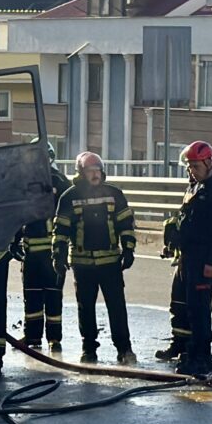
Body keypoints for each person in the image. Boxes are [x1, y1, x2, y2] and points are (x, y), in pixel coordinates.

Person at [154, 141, 212, 377]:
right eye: (189, 166)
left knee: (199, 308)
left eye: (195, 166)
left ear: (209, 163)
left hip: (202, 258)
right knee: (180, 301)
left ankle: (201, 357)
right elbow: (184, 220)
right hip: (186, 256)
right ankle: (181, 345)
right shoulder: (194, 187)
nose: (191, 170)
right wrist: (173, 244)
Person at [53, 151, 137, 364]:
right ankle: (88, 349)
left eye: (97, 170)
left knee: (117, 307)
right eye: (90, 170)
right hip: (82, 264)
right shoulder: (69, 197)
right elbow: (61, 229)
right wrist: (59, 255)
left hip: (110, 262)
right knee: (85, 308)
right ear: (81, 173)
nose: (95, 174)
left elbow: (125, 224)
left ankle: (124, 349)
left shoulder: (114, 194)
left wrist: (128, 249)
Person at [17, 141, 71, 351]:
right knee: (40, 296)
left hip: (46, 252)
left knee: (44, 296)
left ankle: (47, 338)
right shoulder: (58, 181)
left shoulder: (49, 182)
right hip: (41, 252)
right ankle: (42, 338)